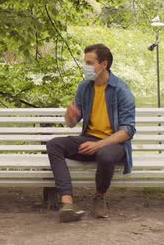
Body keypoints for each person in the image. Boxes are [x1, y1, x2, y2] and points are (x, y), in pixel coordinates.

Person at [46, 43, 136, 222]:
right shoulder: (85, 88)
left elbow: (128, 130)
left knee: (105, 155)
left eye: (89, 63)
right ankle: (67, 203)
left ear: (103, 64)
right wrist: (70, 116)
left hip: (113, 144)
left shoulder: (121, 90)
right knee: (53, 144)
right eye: (84, 62)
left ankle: (99, 197)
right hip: (89, 140)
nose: (85, 67)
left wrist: (99, 144)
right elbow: (72, 124)